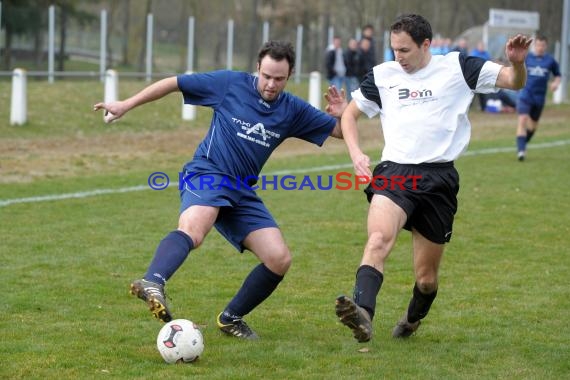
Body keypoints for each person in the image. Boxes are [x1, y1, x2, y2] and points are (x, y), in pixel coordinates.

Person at [93, 41, 346, 340]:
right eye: (266, 76)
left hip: (240, 190)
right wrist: (125, 104)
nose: (270, 84)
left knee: (279, 258)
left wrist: (343, 114)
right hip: (208, 172)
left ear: (289, 76)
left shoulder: (291, 109)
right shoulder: (229, 84)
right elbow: (174, 83)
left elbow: (339, 131)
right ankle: (153, 281)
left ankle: (231, 318)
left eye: (279, 79)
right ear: (257, 68)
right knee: (194, 230)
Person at [334, 13, 531, 343]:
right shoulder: (384, 75)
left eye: (405, 50)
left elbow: (514, 81)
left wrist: (517, 63)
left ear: (426, 45)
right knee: (378, 239)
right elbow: (349, 115)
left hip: (439, 179)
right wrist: (356, 154)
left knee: (426, 279)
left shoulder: (459, 67)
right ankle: (363, 313)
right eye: (394, 49)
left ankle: (413, 318)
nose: (398, 57)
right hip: (395, 172)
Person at [515, 33, 561, 161]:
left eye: (543, 45)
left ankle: (523, 141)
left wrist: (556, 83)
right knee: (523, 119)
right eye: (538, 45)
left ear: (546, 46)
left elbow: (558, 75)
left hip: (539, 98)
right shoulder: (527, 57)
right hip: (525, 94)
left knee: (533, 125)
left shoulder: (550, 61)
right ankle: (521, 151)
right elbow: (516, 67)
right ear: (534, 45)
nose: (540, 47)